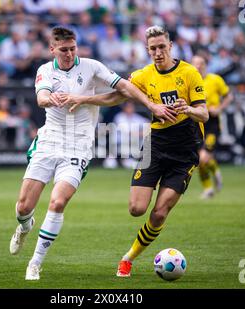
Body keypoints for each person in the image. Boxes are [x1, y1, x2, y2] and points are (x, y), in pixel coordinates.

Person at [8, 27, 176, 281]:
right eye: (63, 50)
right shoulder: (45, 70)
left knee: (57, 202)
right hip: (49, 141)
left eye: (72, 48)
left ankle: (35, 262)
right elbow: (41, 98)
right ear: (52, 49)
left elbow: (124, 87)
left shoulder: (92, 66)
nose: (69, 54)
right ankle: (24, 225)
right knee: (24, 206)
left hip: (79, 144)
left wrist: (151, 105)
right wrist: (56, 98)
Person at [62, 25, 209, 277]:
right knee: (136, 209)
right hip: (155, 145)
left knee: (160, 212)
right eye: (153, 48)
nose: (158, 52)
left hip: (185, 151)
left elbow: (204, 113)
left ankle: (128, 258)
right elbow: (115, 97)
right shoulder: (142, 76)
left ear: (170, 46)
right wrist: (84, 99)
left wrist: (189, 110)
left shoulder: (189, 73)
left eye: (162, 47)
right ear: (147, 50)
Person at [191, 55, 233, 199]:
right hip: (196, 123)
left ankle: (212, 178)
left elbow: (229, 96)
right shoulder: (189, 80)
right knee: (199, 159)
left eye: (201, 63)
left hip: (212, 123)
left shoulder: (215, 79)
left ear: (205, 65)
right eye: (195, 64)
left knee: (203, 158)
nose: (198, 66)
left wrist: (220, 108)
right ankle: (209, 187)